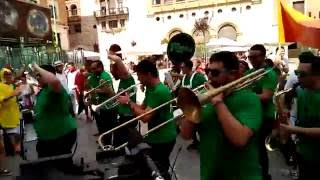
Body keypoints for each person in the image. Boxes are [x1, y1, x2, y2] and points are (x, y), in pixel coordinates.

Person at [180, 51, 263, 180]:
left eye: (215, 73)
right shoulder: (203, 96)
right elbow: (186, 135)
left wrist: (218, 103)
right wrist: (191, 105)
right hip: (210, 174)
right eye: (207, 71)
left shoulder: (249, 98)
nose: (209, 76)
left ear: (234, 74)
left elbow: (240, 139)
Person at [118, 60, 176, 180]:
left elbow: (145, 117)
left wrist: (129, 102)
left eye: (139, 75)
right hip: (155, 136)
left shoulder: (159, 91)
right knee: (154, 169)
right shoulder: (151, 89)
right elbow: (141, 109)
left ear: (148, 74)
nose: (138, 79)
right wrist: (129, 102)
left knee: (159, 171)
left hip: (163, 138)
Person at [30, 63, 79, 174]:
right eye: (36, 75)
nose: (37, 77)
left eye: (39, 75)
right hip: (47, 138)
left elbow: (54, 80)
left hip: (60, 135)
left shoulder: (55, 88)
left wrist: (36, 67)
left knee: (62, 168)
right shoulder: (44, 91)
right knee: (46, 168)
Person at [280, 53, 320, 180]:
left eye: (302, 74)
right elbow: (283, 97)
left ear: (317, 75)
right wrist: (284, 109)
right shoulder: (301, 90)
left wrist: (293, 130)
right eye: (296, 73)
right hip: (303, 153)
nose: (297, 78)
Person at [246, 44, 278, 180]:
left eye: (254, 57)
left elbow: (266, 97)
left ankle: (264, 176)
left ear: (264, 56)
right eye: (249, 57)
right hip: (251, 115)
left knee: (260, 149)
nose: (251, 60)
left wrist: (246, 96)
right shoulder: (249, 73)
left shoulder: (269, 74)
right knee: (251, 148)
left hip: (265, 116)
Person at [108, 44, 137, 146]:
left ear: (118, 70)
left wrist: (110, 55)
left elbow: (119, 62)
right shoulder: (121, 82)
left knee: (125, 144)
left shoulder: (127, 79)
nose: (112, 74)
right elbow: (118, 99)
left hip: (129, 117)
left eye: (113, 72)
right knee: (118, 143)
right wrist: (109, 91)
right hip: (123, 116)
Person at [87, 60, 117, 144]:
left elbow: (107, 91)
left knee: (108, 127)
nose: (92, 70)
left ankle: (108, 144)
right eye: (91, 69)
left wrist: (94, 90)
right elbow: (89, 86)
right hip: (97, 105)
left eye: (94, 68)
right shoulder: (93, 76)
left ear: (100, 67)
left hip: (108, 106)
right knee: (100, 125)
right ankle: (102, 140)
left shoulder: (105, 76)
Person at [0, 68, 22, 176]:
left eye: (10, 74)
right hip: (5, 118)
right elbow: (2, 100)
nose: (9, 76)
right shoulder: (0, 86)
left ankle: (14, 151)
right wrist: (13, 94)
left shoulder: (11, 85)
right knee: (3, 146)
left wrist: (16, 95)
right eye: (6, 75)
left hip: (14, 115)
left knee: (17, 135)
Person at [181, 60, 207, 150]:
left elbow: (206, 88)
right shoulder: (184, 78)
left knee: (199, 126)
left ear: (188, 68)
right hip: (188, 106)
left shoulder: (199, 77)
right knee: (191, 126)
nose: (181, 69)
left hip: (199, 105)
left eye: (182, 67)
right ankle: (195, 142)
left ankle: (203, 144)